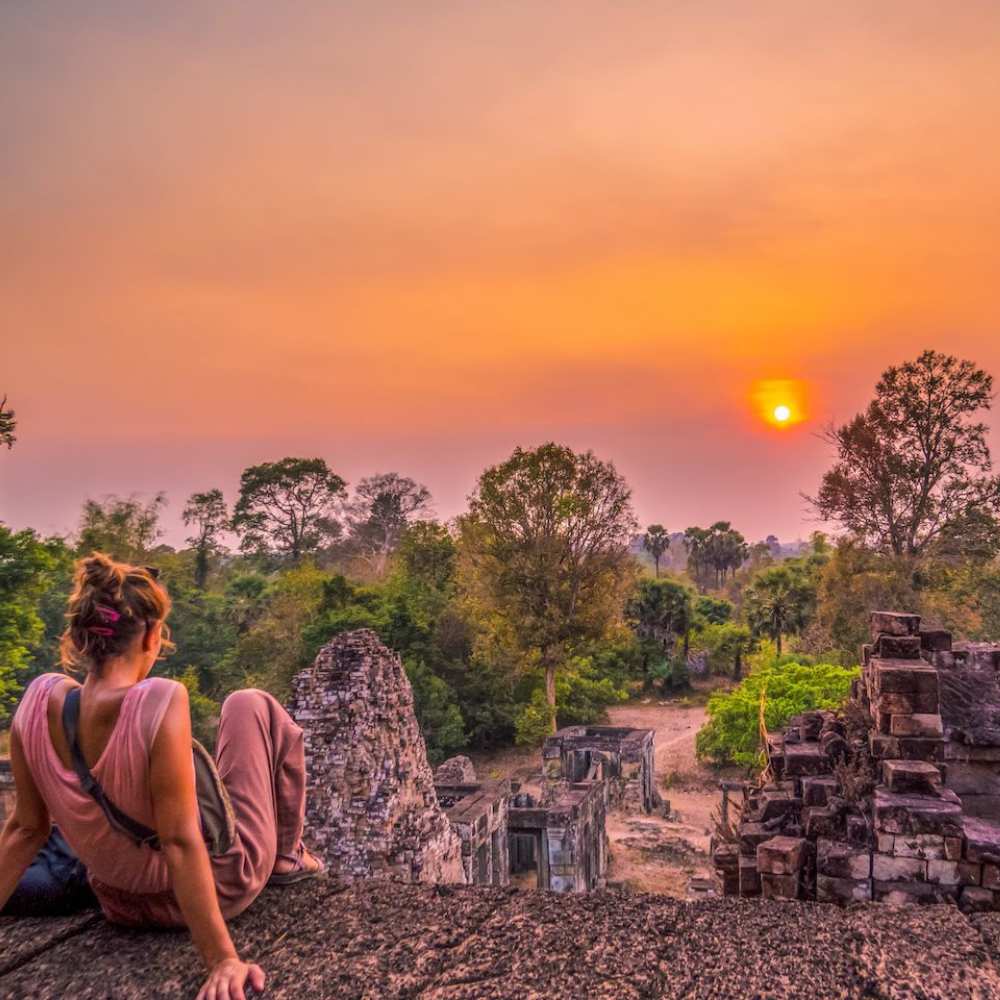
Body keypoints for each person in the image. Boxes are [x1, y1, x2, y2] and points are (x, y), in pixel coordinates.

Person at [0, 554, 323, 1000]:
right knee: (249, 704)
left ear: (79, 637)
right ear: (152, 635)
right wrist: (223, 960)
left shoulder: (36, 703)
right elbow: (179, 841)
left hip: (117, 902)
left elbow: (24, 829)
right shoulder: (156, 700)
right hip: (217, 887)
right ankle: (286, 858)